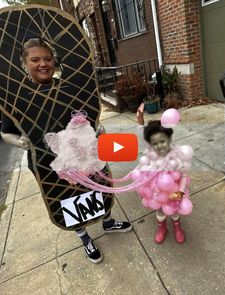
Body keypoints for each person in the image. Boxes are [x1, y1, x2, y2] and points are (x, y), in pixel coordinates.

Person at [0, 38, 132, 264]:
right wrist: (21, 142)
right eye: (35, 59)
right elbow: (6, 131)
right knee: (68, 199)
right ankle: (85, 239)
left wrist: (97, 128)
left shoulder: (70, 88)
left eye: (47, 59)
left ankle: (108, 222)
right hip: (49, 163)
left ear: (54, 61)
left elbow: (89, 115)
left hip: (85, 156)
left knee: (102, 188)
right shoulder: (16, 99)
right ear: (24, 64)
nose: (43, 63)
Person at [136, 103, 192, 244]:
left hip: (172, 192)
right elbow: (143, 136)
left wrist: (180, 191)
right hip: (156, 192)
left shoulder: (176, 156)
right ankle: (162, 228)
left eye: (163, 141)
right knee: (160, 211)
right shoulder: (151, 153)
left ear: (169, 139)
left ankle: (177, 227)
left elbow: (184, 175)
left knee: (174, 211)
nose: (159, 145)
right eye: (155, 143)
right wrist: (140, 121)